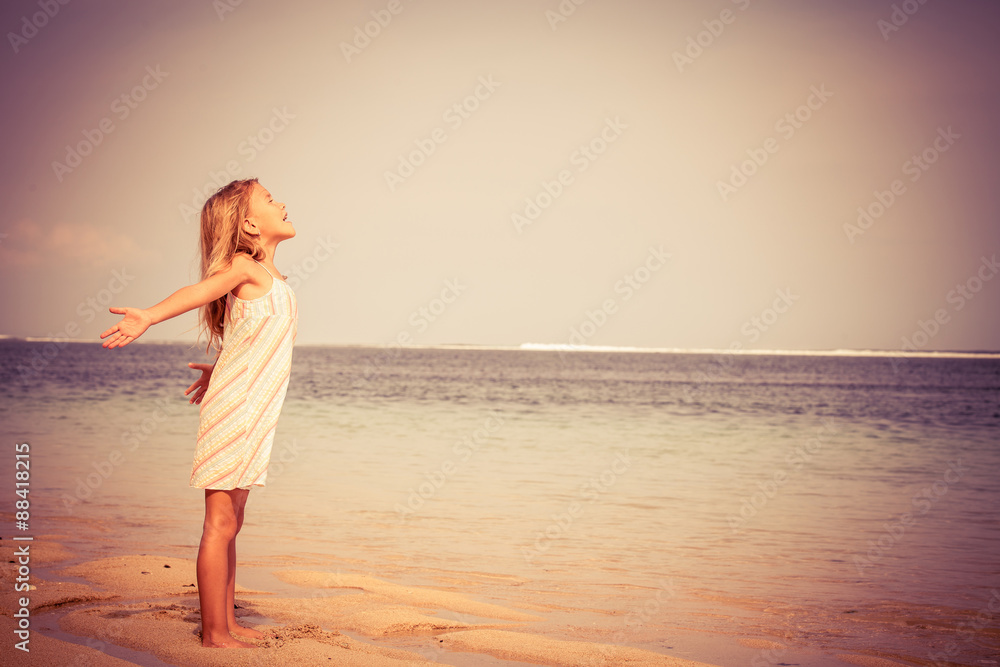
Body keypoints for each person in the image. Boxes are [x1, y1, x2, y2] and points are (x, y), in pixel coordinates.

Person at [100, 178, 298, 648]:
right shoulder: (242, 267)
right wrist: (149, 314)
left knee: (234, 521)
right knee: (219, 524)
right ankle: (213, 633)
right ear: (250, 224)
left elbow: (251, 339)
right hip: (236, 412)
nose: (283, 203)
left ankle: (226, 622)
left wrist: (221, 369)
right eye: (270, 200)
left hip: (251, 412)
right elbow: (198, 291)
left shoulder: (272, 279)